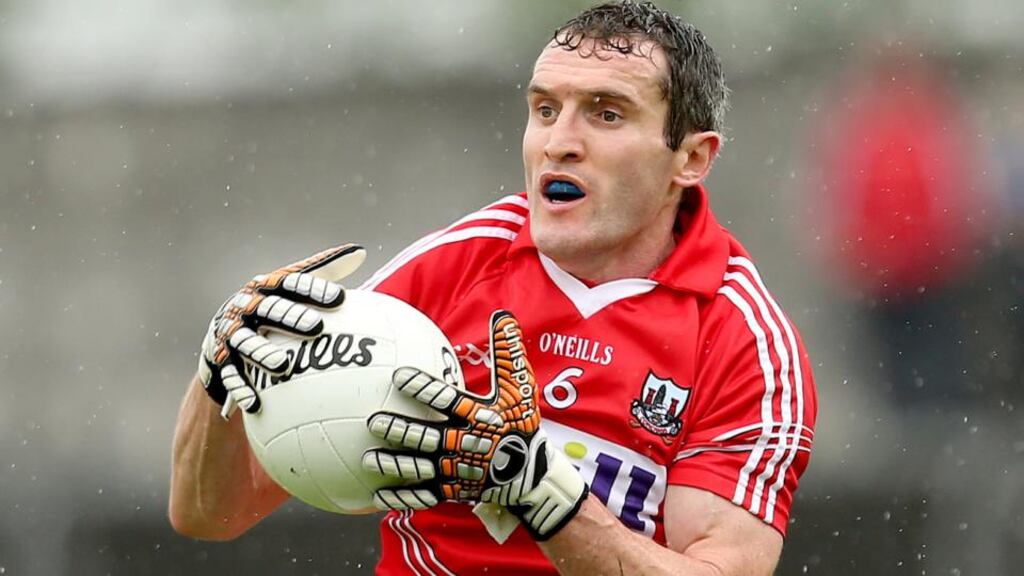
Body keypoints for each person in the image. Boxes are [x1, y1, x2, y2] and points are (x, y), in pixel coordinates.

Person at [169, 2, 818, 574]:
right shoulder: (457, 265)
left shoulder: (746, 344)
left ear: (692, 158)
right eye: (544, 109)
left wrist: (544, 494)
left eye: (606, 113)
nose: (560, 143)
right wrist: (217, 382)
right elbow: (209, 514)